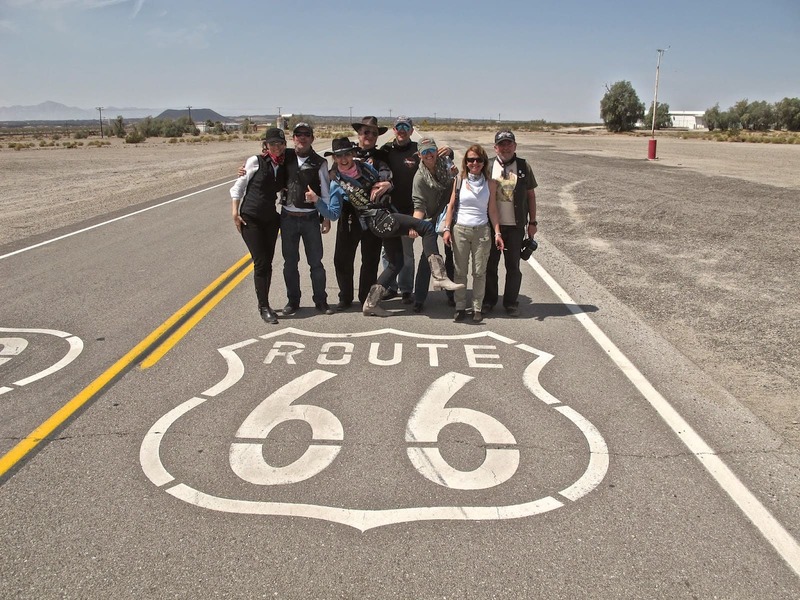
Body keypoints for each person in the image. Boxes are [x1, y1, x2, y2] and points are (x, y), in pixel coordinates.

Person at [312, 138, 463, 317]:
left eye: (347, 154)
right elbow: (333, 214)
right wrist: (316, 201)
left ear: (353, 154)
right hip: (378, 220)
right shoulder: (337, 182)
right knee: (427, 228)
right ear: (334, 159)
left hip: (385, 215)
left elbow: (385, 179)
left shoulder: (365, 168)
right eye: (339, 156)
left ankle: (371, 303)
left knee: (396, 263)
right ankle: (439, 276)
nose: (343, 159)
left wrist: (387, 184)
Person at [332, 116, 393, 311]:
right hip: (348, 215)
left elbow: (387, 176)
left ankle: (366, 296)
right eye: (366, 132)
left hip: (371, 214)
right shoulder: (345, 153)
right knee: (342, 258)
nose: (369, 136)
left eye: (374, 133)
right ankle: (345, 296)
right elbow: (332, 176)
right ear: (359, 134)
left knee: (370, 259)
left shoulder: (382, 157)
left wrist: (388, 183)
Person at [229, 128, 286, 324]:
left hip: (270, 220)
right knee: (260, 262)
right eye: (272, 144)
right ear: (266, 145)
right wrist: (235, 213)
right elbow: (238, 186)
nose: (276, 147)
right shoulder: (255, 161)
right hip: (250, 218)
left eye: (279, 143)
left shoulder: (284, 164)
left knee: (267, 263)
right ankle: (263, 306)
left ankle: (265, 303)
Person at [442, 144, 505, 323]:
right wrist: (447, 229)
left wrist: (497, 233)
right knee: (460, 271)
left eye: (478, 160)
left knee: (479, 272)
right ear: (466, 162)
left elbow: (492, 210)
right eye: (470, 160)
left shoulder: (491, 184)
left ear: (484, 162)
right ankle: (460, 306)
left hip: (482, 231)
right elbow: (451, 206)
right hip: (460, 230)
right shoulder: (459, 180)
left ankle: (477, 307)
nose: (474, 163)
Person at [279, 122, 334, 316]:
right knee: (290, 263)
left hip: (310, 218)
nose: (302, 137)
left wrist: (326, 218)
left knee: (316, 263)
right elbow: (264, 163)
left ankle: (321, 301)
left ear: (312, 138)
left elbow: (326, 192)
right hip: (288, 218)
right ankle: (293, 301)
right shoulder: (284, 157)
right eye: (298, 134)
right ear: (292, 138)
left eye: (306, 134)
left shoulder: (320, 162)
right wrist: (245, 168)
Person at [483, 130, 538, 316]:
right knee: (490, 265)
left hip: (515, 226)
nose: (505, 147)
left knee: (513, 266)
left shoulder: (523, 166)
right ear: (495, 147)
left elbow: (531, 195)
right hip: (492, 226)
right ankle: (489, 300)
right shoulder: (488, 166)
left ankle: (510, 302)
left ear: (515, 146)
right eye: (501, 144)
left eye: (509, 144)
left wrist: (533, 222)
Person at [410, 137, 456, 313]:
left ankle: (452, 296)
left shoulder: (447, 165)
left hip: (449, 215)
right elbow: (419, 205)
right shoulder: (419, 178)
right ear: (419, 155)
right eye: (424, 152)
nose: (429, 155)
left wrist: (455, 173)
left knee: (452, 255)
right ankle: (419, 297)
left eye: (431, 150)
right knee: (428, 258)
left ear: (437, 151)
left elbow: (457, 183)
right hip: (430, 218)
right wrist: (416, 225)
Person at [378, 116, 419, 303]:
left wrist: (449, 151)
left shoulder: (417, 150)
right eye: (398, 127)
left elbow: (437, 155)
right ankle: (390, 286)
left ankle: (406, 289)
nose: (402, 130)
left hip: (409, 210)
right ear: (393, 130)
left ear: (411, 130)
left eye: (405, 127)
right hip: (388, 209)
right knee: (387, 252)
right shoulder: (386, 151)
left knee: (407, 252)